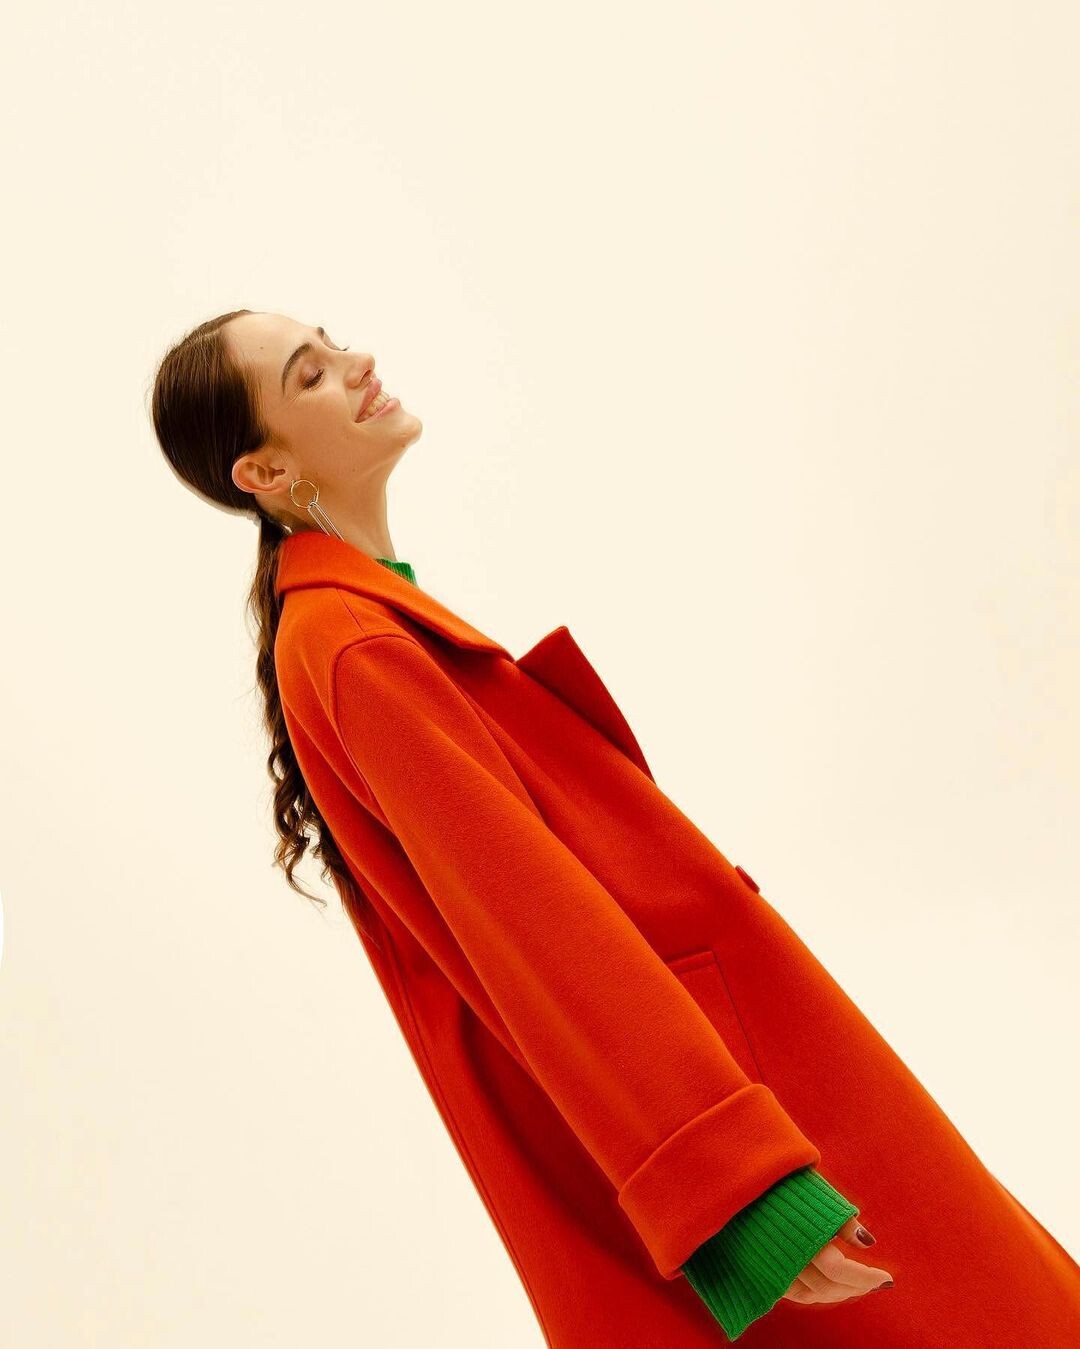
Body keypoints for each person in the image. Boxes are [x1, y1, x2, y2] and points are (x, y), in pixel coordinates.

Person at [150, 309, 1080, 1347]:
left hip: (716, 1081)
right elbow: (541, 933)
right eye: (311, 375)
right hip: (724, 1104)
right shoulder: (352, 645)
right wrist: (738, 1188)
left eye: (332, 341)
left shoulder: (358, 621)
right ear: (266, 473)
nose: (357, 361)